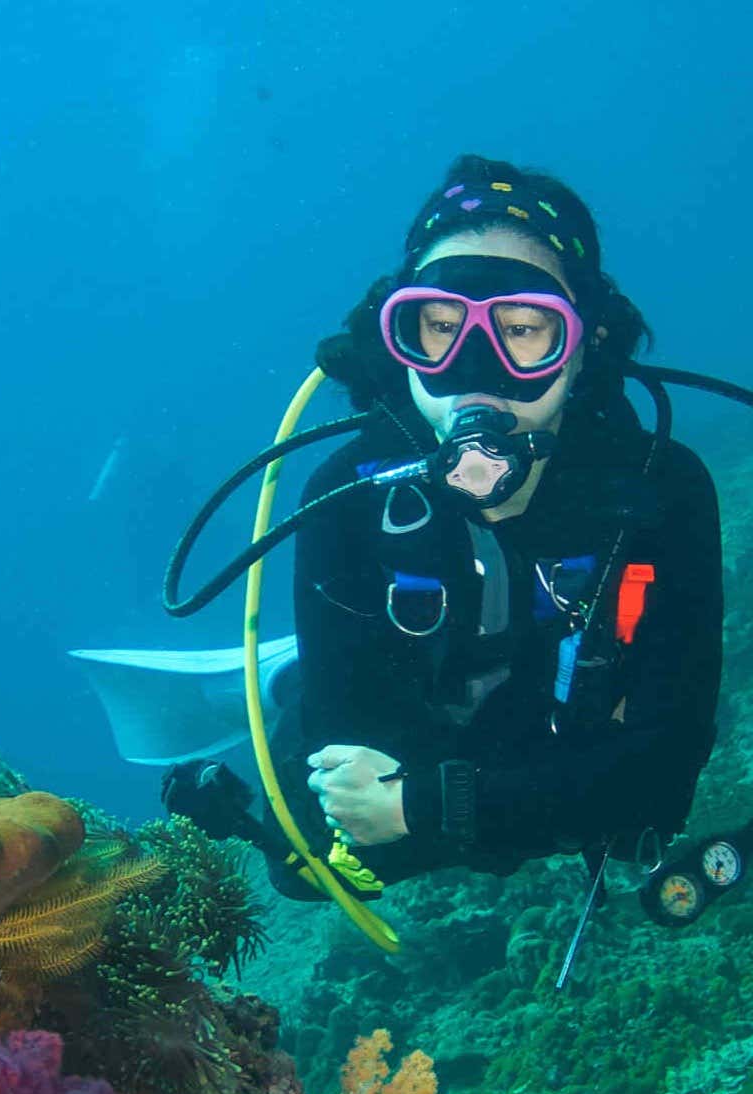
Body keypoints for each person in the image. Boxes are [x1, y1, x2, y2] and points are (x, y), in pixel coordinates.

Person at [164, 155, 724, 898]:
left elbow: (664, 777)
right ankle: (284, 676)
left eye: (525, 329)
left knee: (624, 827)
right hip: (448, 726)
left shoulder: (661, 488)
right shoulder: (347, 495)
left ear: (585, 344)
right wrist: (563, 783)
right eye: (438, 327)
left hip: (466, 760)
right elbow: (350, 760)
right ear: (395, 340)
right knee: (311, 866)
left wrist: (424, 803)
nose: (476, 370)